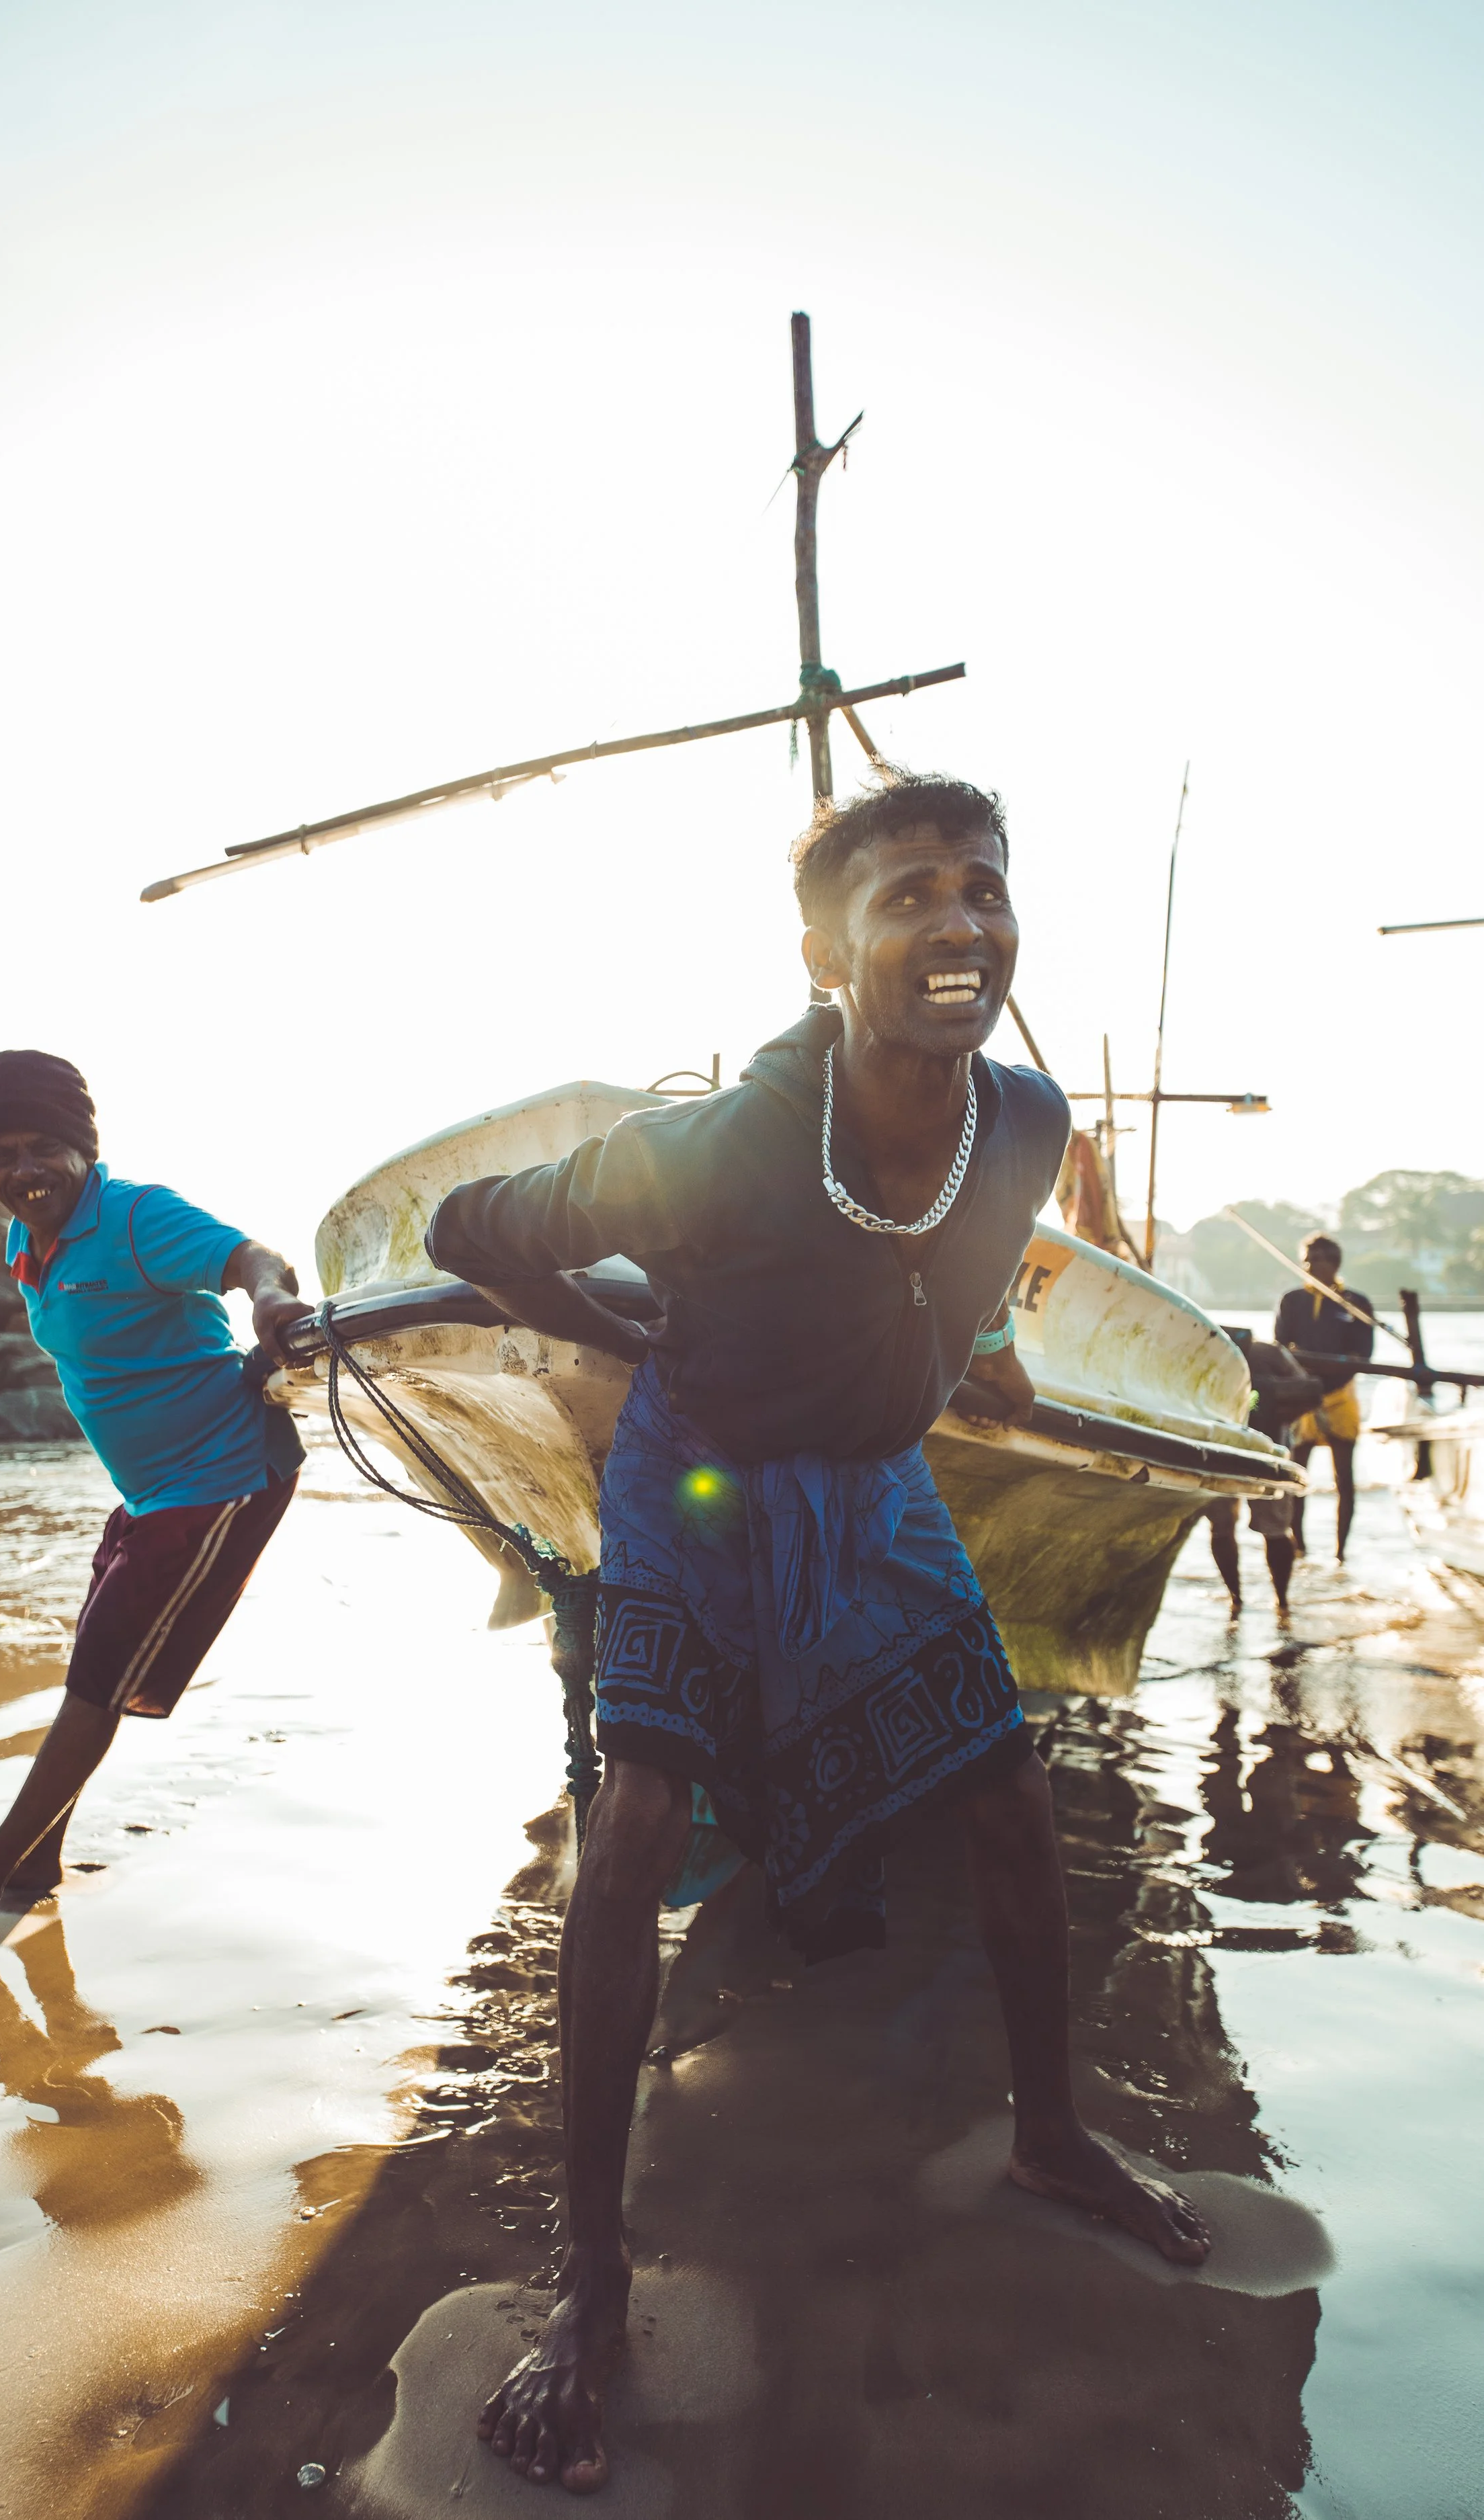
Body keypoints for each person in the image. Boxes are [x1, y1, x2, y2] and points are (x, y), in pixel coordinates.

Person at [425, 771, 1211, 2496]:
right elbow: (464, 1227)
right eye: (910, 894)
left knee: (1004, 1791)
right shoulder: (717, 1144)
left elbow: (967, 1279)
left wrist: (965, 1355)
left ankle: (1057, 2136)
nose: (959, 923)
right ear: (823, 948)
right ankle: (594, 2286)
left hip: (869, 1485)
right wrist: (634, 1314)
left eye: (982, 888)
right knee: (632, 1826)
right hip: (693, 1476)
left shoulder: (1022, 1118)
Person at [0, 1050, 307, 1943]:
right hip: (151, 1492)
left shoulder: (138, 1215)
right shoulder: (28, 1238)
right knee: (90, 1663)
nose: (23, 1171)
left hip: (223, 1476)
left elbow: (250, 1256)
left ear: (81, 1148)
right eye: (0, 1155)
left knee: (99, 1677)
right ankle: (36, 1858)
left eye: (43, 1149)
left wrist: (268, 1301)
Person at [1204, 1335, 1321, 1623]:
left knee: (1233, 1527)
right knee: (1241, 1527)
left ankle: (1257, 1601)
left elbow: (1306, 1394)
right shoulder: (1268, 1352)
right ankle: (1265, 1602)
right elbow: (1306, 1393)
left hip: (1252, 1449)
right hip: (1254, 1448)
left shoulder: (1210, 1347)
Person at [1273, 1236, 1375, 1561]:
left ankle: (1341, 1552)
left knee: (1344, 1478)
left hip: (1340, 1395)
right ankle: (1299, 1545)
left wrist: (1330, 1380)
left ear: (1333, 1263)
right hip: (1303, 1394)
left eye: (1316, 1259)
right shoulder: (1292, 1300)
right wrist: (1303, 1375)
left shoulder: (1355, 1302)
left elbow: (1363, 1354)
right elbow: (1280, 1346)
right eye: (1306, 1259)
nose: (1309, 1266)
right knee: (1297, 1474)